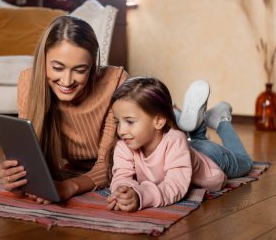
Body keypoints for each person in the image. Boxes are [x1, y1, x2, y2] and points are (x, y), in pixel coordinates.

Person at [0, 15, 128, 204]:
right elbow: (28, 156)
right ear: (43, 60)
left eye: (80, 70)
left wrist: (69, 186)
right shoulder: (29, 80)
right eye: (58, 68)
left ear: (92, 65)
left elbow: (109, 165)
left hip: (129, 157)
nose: (67, 82)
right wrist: (13, 175)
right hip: (75, 167)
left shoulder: (115, 81)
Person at [106, 77, 253, 212]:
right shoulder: (125, 144)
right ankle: (195, 124)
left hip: (211, 157)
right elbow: (121, 175)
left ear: (158, 121)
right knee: (192, 143)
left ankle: (221, 120)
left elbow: (174, 186)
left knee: (245, 162)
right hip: (186, 150)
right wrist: (123, 191)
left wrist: (141, 196)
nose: (121, 130)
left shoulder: (175, 141)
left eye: (129, 121)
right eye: (118, 122)